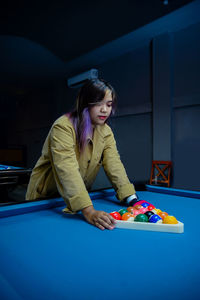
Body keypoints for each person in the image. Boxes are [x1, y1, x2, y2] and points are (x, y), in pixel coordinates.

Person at [26, 79, 138, 230]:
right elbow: (67, 169)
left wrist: (131, 199)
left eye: (109, 104)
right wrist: (89, 211)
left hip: (77, 198)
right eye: (99, 103)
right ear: (86, 103)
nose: (105, 110)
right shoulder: (63, 126)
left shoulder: (106, 131)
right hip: (45, 198)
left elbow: (114, 163)